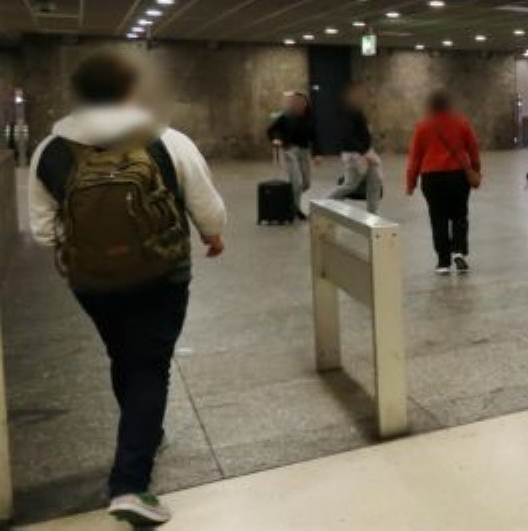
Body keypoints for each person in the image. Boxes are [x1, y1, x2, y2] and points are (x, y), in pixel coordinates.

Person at [28, 50, 227, 527]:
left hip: (92, 282)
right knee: (149, 365)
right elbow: (208, 208)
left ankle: (145, 433)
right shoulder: (165, 140)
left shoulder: (49, 151)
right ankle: (131, 484)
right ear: (130, 91)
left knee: (125, 355)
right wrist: (213, 235)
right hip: (162, 273)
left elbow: (44, 232)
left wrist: (95, 245)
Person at [405, 89, 481, 275]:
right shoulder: (461, 122)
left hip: (432, 179)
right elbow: (473, 148)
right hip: (457, 177)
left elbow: (415, 157)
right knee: (459, 215)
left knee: (437, 218)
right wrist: (476, 170)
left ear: (430, 105)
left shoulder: (423, 126)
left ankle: (443, 262)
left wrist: (411, 182)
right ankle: (459, 251)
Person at [327, 81, 382, 215]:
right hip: (356, 154)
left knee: (374, 183)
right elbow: (347, 135)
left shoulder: (356, 110)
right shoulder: (348, 111)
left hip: (365, 152)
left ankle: (373, 215)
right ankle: (324, 203)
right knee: (350, 185)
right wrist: (364, 153)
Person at [267, 90, 315, 222]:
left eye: (302, 102)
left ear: (306, 103)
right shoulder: (286, 116)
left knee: (306, 183)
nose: (300, 104)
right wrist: (276, 139)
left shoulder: (309, 117)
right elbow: (271, 130)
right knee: (297, 183)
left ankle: (289, 200)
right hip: (290, 150)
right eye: (297, 102)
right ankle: (295, 210)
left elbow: (314, 136)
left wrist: (318, 153)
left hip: (305, 152)